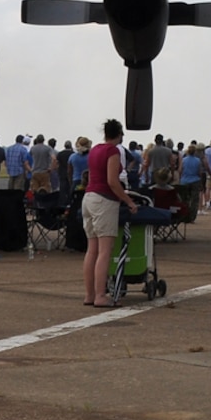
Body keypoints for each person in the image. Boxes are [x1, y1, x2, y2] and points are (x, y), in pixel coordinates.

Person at [81, 120, 132, 307]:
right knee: (104, 251)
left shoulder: (95, 149)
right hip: (104, 200)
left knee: (91, 249)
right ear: (119, 134)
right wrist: (128, 201)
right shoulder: (113, 151)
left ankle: (90, 294)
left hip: (88, 198)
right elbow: (112, 181)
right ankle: (101, 295)